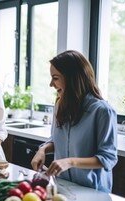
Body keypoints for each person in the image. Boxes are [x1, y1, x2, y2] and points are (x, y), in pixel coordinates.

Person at [31, 50, 118, 192]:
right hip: (62, 186)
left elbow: (108, 158)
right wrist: (42, 150)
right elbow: (56, 139)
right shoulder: (60, 105)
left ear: (72, 78)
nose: (51, 84)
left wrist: (70, 162)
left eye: (55, 78)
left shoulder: (102, 111)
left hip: (92, 192)